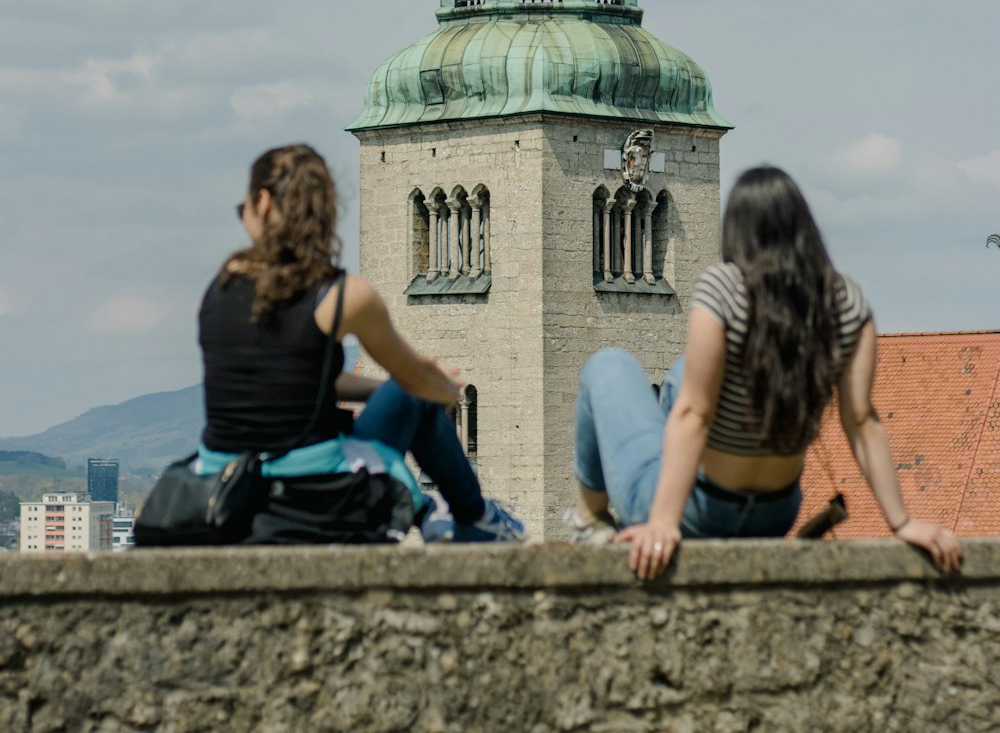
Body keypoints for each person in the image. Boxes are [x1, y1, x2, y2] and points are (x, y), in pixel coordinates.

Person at [570, 165, 962, 579]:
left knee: (607, 365)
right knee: (685, 372)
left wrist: (664, 522)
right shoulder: (846, 301)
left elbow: (694, 415)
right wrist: (901, 522)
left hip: (698, 513)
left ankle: (590, 520)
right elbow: (862, 421)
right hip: (776, 513)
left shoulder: (723, 288)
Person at [198, 143, 524, 544]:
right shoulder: (343, 297)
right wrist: (438, 386)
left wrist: (386, 389)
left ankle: (442, 511)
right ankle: (473, 516)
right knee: (415, 389)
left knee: (405, 389)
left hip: (224, 483)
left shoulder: (222, 285)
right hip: (311, 493)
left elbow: (298, 382)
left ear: (262, 203)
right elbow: (420, 381)